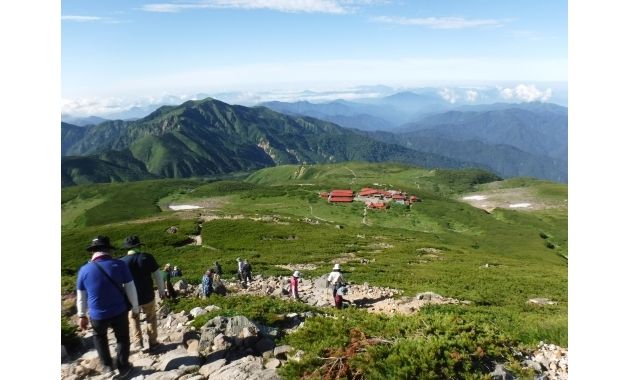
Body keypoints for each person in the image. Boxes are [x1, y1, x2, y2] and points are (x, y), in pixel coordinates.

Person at [76, 236, 139, 378]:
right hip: (119, 310)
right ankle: (124, 367)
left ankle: (107, 366)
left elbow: (81, 296)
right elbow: (130, 288)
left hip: (97, 314)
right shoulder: (119, 265)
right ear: (108, 250)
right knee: (122, 338)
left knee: (99, 338)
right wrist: (135, 307)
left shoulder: (84, 270)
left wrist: (81, 315)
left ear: (93, 252)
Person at [119, 235, 166, 353]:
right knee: (151, 318)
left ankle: (138, 341)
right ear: (139, 246)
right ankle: (153, 343)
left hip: (130, 298)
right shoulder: (147, 257)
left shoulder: (121, 261)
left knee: (133, 318)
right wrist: (161, 290)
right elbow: (158, 276)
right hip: (147, 294)